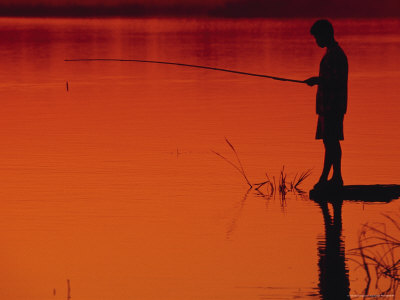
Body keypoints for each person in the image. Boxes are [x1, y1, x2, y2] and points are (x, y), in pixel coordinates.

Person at [305, 19, 348, 189]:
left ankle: (330, 178)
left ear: (326, 34)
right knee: (329, 142)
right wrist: (318, 81)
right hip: (326, 107)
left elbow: (337, 81)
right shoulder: (331, 52)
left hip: (333, 106)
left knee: (331, 142)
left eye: (317, 37)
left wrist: (317, 80)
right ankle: (333, 178)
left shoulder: (335, 54)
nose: (316, 41)